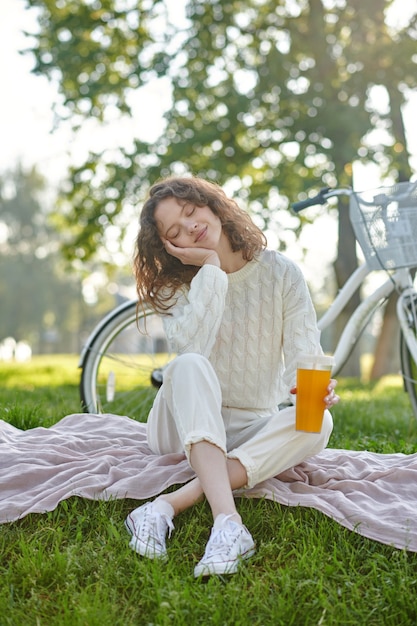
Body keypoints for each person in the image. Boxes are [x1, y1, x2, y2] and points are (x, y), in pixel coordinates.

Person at [125, 176, 340, 578]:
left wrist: (315, 392)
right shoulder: (177, 287)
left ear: (211, 205)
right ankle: (228, 521)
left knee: (318, 423)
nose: (190, 227)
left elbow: (303, 359)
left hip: (249, 424)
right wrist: (208, 269)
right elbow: (193, 348)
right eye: (176, 230)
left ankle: (167, 505)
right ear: (170, 246)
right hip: (180, 424)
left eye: (191, 212)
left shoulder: (281, 273)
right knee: (187, 364)